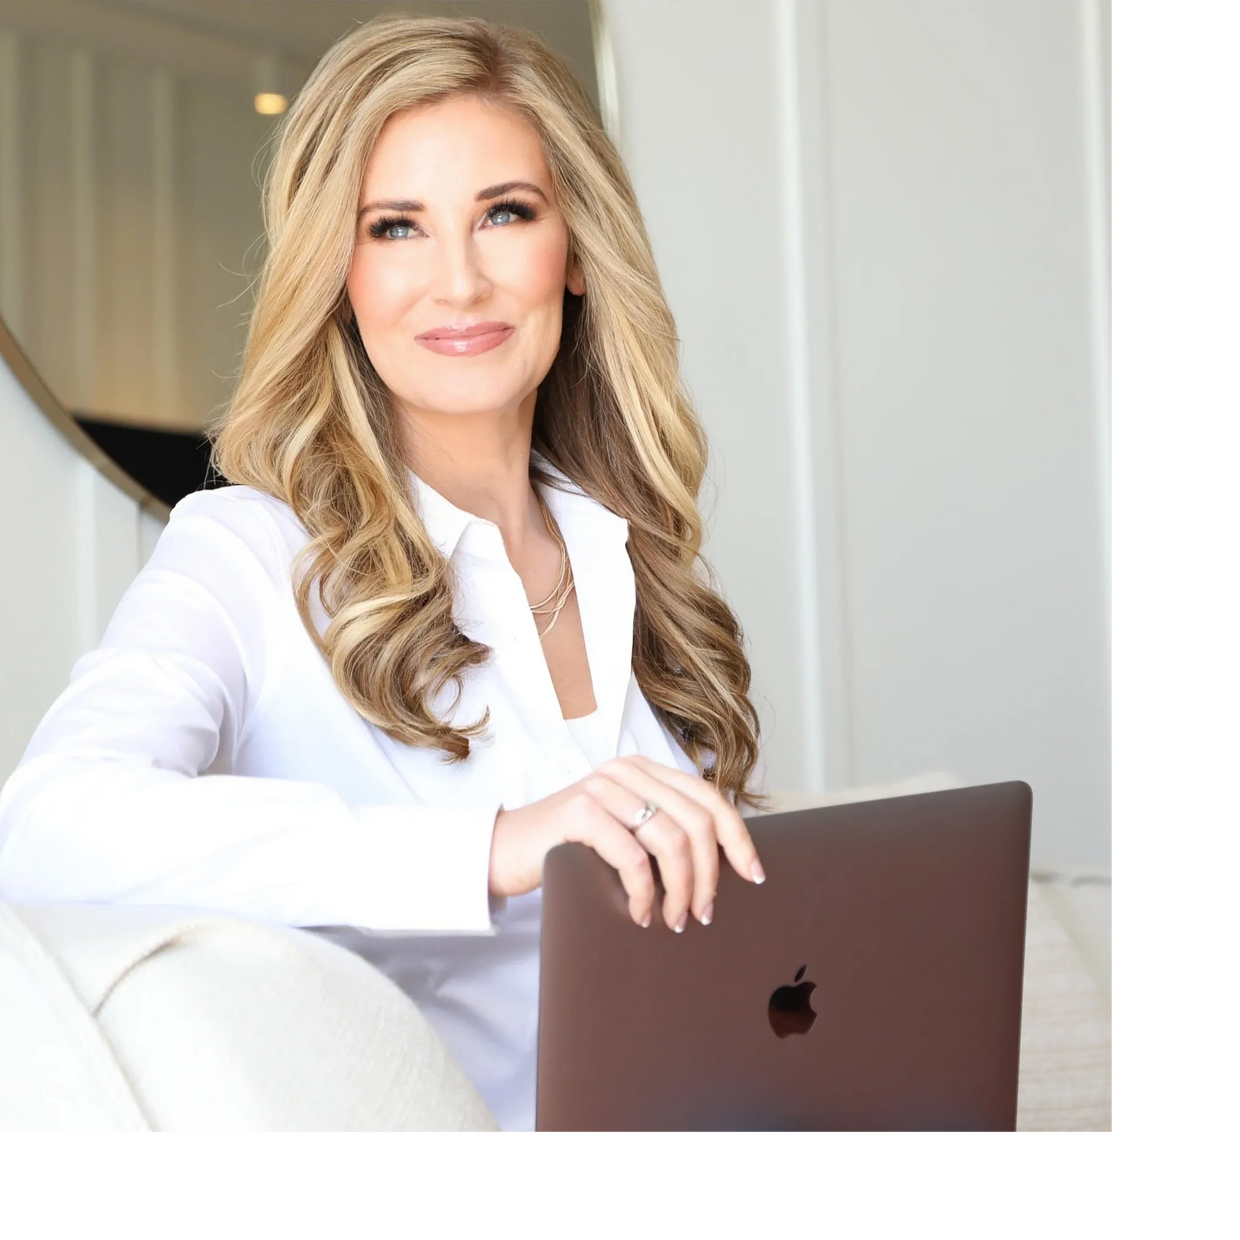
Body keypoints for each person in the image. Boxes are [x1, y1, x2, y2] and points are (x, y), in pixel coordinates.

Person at [0, 15, 769, 1133]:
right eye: (396, 227)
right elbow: (45, 830)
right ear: (339, 276)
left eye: (505, 213)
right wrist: (493, 848)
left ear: (577, 254)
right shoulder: (251, 558)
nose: (458, 281)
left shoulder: (635, 564)